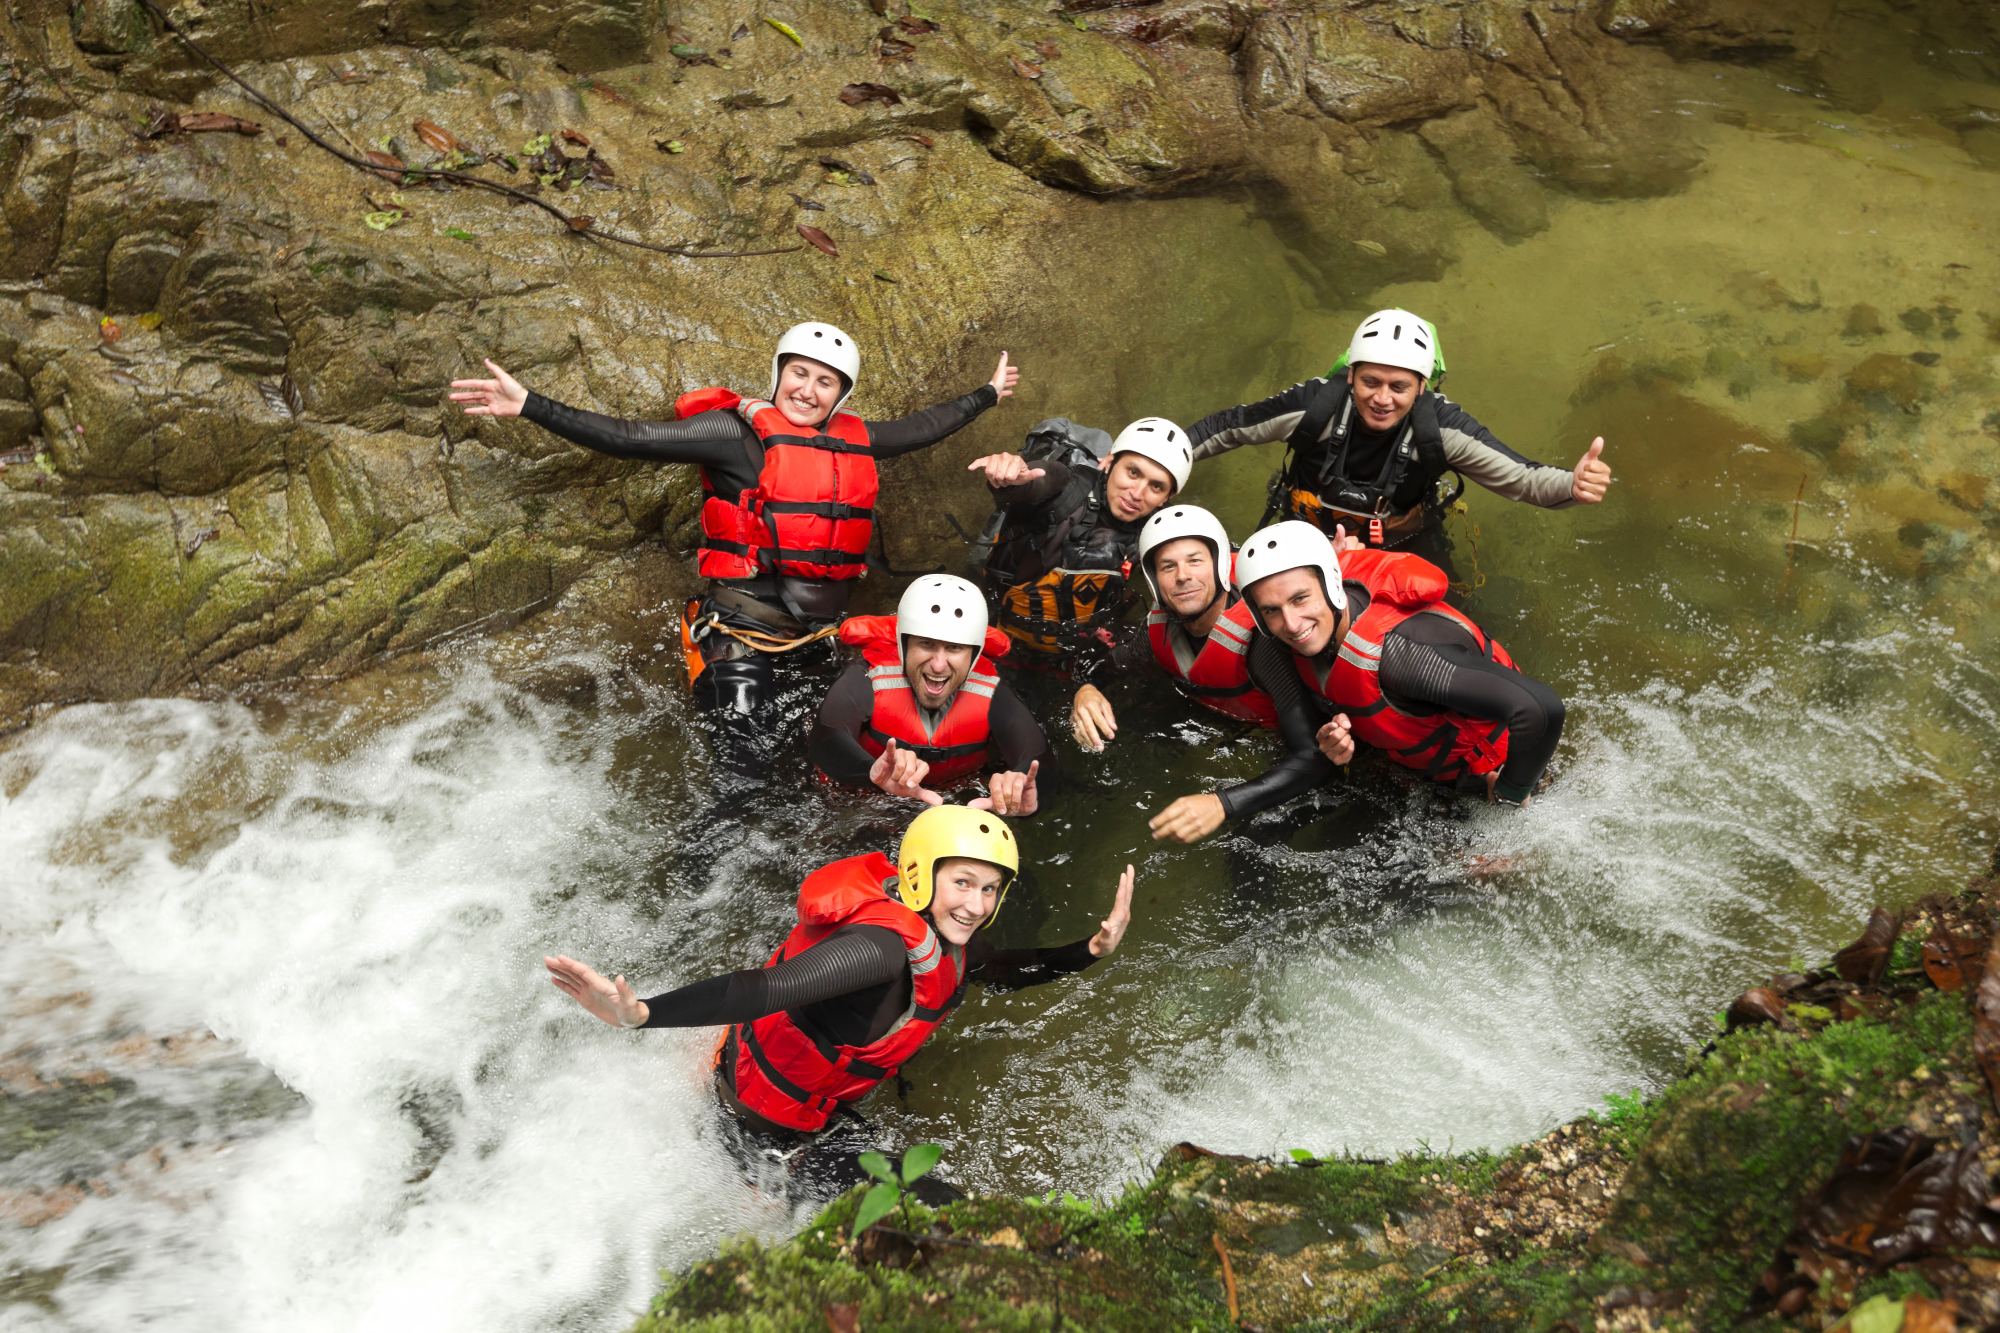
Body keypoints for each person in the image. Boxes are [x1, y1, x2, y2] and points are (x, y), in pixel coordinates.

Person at [449, 324, 1020, 782]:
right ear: (777, 373)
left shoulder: (854, 438)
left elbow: (922, 427)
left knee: (816, 768)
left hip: (816, 642)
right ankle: (698, 882)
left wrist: (987, 395)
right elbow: (631, 437)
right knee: (744, 774)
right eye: (798, 373)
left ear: (841, 396)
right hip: (741, 634)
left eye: (825, 382)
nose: (807, 390)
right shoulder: (731, 433)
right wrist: (529, 404)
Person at [544, 805, 1135, 1201]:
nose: (976, 904)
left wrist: (1090, 950)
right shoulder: (880, 951)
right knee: (958, 1219)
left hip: (789, 1108)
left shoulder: (942, 937)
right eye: (962, 883)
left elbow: (1001, 968)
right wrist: (641, 1013)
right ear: (922, 875)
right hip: (764, 1139)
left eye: (988, 889)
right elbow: (764, 989)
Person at [1187, 309, 1612, 552]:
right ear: (1351, 375)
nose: (1383, 399)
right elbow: (1230, 427)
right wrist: (1156, 459)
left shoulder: (1441, 428)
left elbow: (1521, 479)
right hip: (1306, 531)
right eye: (1371, 382)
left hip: (1400, 540)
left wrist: (1573, 486)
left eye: (1399, 387)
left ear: (1422, 387)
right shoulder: (1316, 406)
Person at [1234, 519, 1564, 808]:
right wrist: (1336, 745)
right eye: (1271, 610)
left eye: (1300, 598)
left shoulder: (1402, 655)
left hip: (1503, 782)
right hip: (1418, 777)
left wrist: (1511, 793)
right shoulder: (1295, 639)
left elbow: (1540, 709)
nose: (1291, 624)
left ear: (1332, 585)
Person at [810, 574, 1054, 814]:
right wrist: (873, 771)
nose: (938, 665)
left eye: (954, 647)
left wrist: (1023, 791)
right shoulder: (867, 677)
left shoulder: (993, 694)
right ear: (904, 645)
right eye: (926, 644)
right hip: (862, 804)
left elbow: (1039, 759)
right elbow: (827, 738)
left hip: (956, 802)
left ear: (974, 654)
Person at [968, 417, 1193, 672]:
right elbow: (1037, 480)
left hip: (1075, 644)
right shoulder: (1065, 485)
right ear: (1108, 461)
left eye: (1156, 486)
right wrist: (1010, 478)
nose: (1137, 493)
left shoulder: (1161, 528)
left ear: (1167, 497)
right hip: (1000, 625)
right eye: (1133, 472)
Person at [1068, 504, 1278, 752]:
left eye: (1195, 561)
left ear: (1219, 564)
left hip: (1264, 738)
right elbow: (1108, 666)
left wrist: (1217, 794)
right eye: (1168, 566)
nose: (1182, 576)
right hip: (1198, 714)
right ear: (1154, 580)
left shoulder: (1265, 636)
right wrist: (1085, 690)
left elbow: (1307, 742)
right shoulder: (1157, 625)